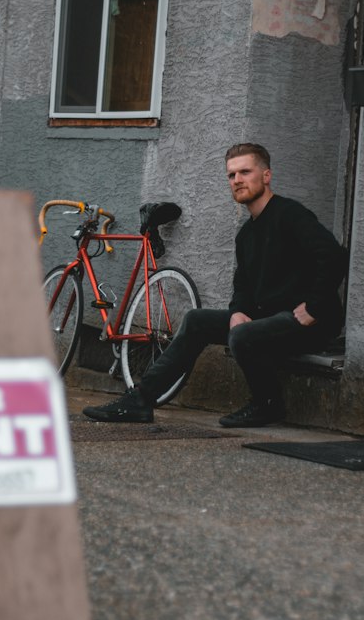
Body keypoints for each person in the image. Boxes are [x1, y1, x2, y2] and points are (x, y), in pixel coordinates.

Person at [83, 143, 347, 429]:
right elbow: (243, 284)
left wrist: (315, 307)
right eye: (231, 175)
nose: (237, 180)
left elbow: (333, 255)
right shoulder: (246, 234)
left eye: (245, 172)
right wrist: (238, 310)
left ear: (266, 175)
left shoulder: (290, 215)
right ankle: (140, 401)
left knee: (243, 336)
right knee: (198, 321)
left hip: (307, 321)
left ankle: (267, 403)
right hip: (270, 317)